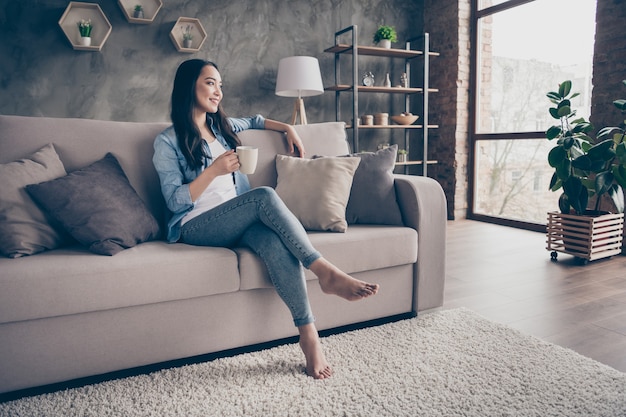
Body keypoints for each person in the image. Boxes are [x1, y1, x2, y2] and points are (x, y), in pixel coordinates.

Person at [153, 59, 379, 379]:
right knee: (264, 196)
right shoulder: (167, 141)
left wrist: (287, 127)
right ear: (189, 85)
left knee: (274, 242)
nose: (218, 92)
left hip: (234, 219)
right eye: (210, 83)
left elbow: (257, 120)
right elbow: (174, 200)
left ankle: (309, 336)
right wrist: (214, 170)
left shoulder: (222, 127)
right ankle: (324, 270)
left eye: (220, 85)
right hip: (196, 225)